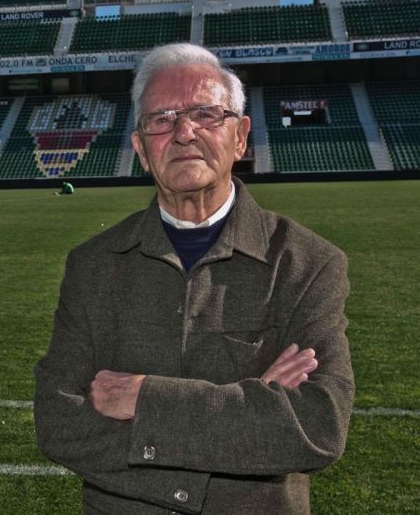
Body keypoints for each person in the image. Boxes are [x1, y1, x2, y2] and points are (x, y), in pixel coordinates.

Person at [34, 43, 354, 514]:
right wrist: (250, 409)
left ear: (240, 137)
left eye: (205, 114)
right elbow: (58, 423)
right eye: (161, 119)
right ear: (141, 149)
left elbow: (317, 426)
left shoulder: (308, 264)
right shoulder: (92, 265)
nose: (184, 132)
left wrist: (144, 398)